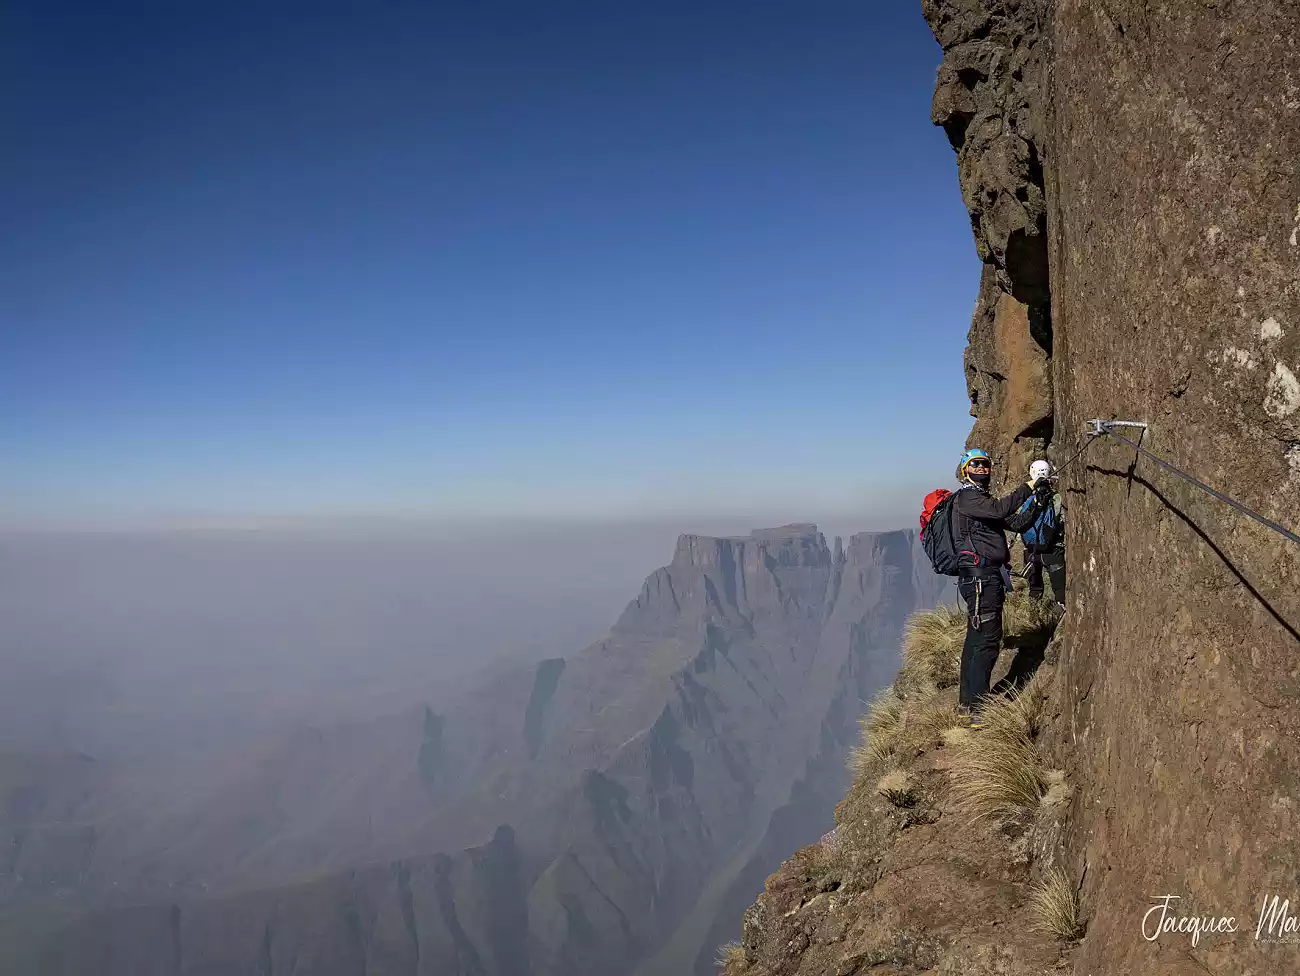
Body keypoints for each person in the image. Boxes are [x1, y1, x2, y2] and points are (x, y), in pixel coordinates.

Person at [951, 448, 1052, 728]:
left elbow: (1016, 522)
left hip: (984, 577)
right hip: (981, 579)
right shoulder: (968, 497)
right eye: (976, 464)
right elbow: (1001, 510)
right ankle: (977, 711)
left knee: (976, 639)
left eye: (985, 464)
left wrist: (1038, 503)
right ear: (964, 470)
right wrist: (1029, 486)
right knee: (986, 641)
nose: (982, 468)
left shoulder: (980, 501)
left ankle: (967, 705)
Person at [1017, 459, 1066, 608]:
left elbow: (1020, 522)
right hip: (1053, 549)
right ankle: (1060, 617)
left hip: (1032, 551)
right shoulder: (1056, 498)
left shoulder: (1027, 499)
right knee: (1059, 589)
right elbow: (1061, 520)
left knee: (1034, 589)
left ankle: (1034, 618)